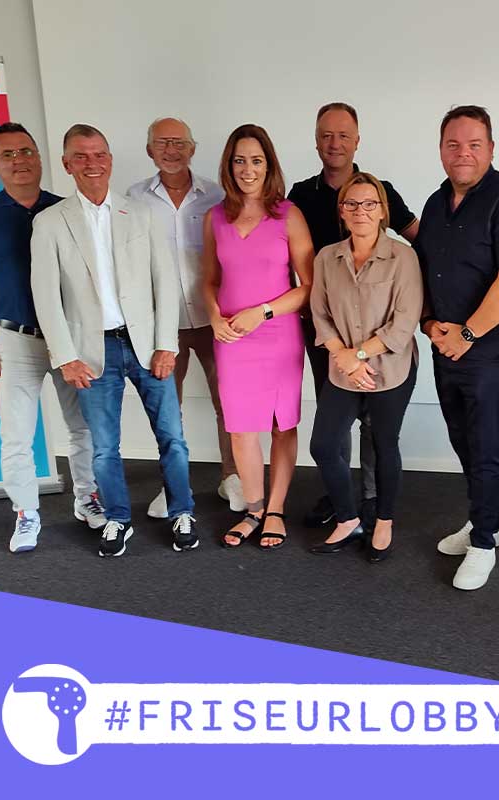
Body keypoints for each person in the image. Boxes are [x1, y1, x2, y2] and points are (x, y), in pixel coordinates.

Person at [31, 124, 196, 557]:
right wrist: (65, 356)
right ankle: (118, 519)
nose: (92, 163)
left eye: (99, 154)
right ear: (67, 164)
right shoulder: (50, 223)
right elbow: (46, 296)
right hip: (91, 351)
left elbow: (165, 282)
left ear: (110, 159)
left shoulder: (141, 214)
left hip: (147, 345)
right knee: (104, 447)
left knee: (172, 438)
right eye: (81, 156)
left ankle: (182, 512)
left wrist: (167, 344)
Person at [416, 105, 499, 590]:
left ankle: (484, 542)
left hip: (487, 346)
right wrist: (430, 324)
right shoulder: (435, 203)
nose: (462, 153)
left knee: (485, 441)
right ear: (440, 149)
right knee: (460, 434)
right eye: (453, 144)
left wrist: (467, 334)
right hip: (444, 342)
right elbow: (426, 269)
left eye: (473, 144)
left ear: (490, 148)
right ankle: (485, 519)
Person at [0, 122, 105, 553]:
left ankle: (87, 498)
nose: (19, 160)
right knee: (16, 434)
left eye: (26, 151)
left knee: (83, 427)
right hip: (16, 340)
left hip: (69, 340)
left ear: (40, 157)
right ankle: (26, 512)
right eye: (8, 155)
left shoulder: (65, 210)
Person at [289, 102, 418, 533]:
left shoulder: (381, 192)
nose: (335, 143)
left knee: (376, 428)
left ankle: (373, 500)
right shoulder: (301, 196)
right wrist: (339, 349)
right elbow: (281, 250)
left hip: (379, 334)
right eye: (326, 135)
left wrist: (425, 306)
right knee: (335, 422)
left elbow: (421, 240)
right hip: (328, 330)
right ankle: (339, 497)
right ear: (316, 141)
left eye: (343, 135)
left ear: (357, 141)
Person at [203, 124, 313, 549]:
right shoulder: (215, 217)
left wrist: (262, 312)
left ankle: (276, 510)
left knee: (281, 425)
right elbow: (209, 280)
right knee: (241, 428)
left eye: (256, 160)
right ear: (229, 166)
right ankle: (253, 509)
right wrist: (214, 316)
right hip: (231, 338)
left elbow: (308, 286)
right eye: (240, 161)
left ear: (269, 166)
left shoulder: (289, 215)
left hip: (278, 334)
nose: (248, 169)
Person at [127, 117, 244, 518]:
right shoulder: (134, 198)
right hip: (161, 324)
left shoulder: (217, 196)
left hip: (215, 317)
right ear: (149, 150)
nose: (171, 150)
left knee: (227, 400)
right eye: (162, 143)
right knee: (166, 408)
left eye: (179, 142)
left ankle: (232, 475)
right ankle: (173, 485)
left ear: (193, 149)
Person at [309, 172, 422, 562]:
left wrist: (357, 356)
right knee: (324, 445)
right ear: (342, 211)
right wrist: (344, 356)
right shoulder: (327, 257)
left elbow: (404, 322)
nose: (361, 211)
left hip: (390, 369)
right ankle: (348, 519)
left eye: (369, 204)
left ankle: (384, 521)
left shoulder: (403, 257)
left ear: (382, 211)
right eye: (352, 204)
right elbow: (320, 314)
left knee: (384, 444)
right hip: (343, 368)